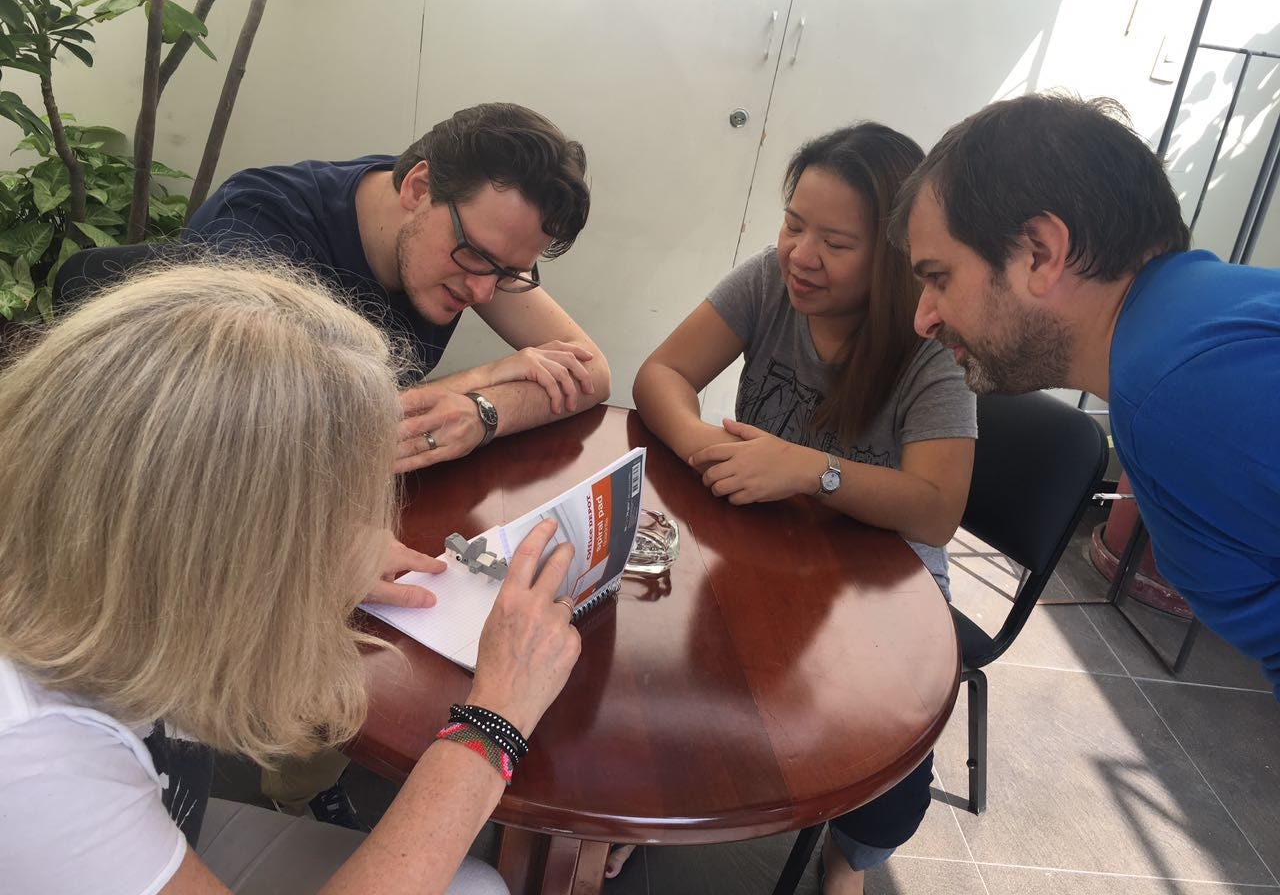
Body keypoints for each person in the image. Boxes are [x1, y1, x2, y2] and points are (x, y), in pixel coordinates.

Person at [54, 101, 611, 823]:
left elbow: (589, 370)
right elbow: (249, 450)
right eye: (475, 258)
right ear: (418, 187)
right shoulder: (259, 239)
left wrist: (483, 412)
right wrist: (483, 377)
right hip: (204, 503)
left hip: (332, 478)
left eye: (509, 274)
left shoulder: (467, 244)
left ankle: (308, 774)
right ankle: (292, 786)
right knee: (378, 601)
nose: (481, 291)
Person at [0, 262, 582, 894]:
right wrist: (494, 719)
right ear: (205, 539)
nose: (348, 530)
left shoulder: (84, 567)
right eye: (326, 516)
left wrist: (301, 563)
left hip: (162, 814)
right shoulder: (33, 760)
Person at [633, 123, 976, 894]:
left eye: (836, 242)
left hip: (883, 578)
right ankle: (648, 806)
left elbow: (935, 512)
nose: (800, 255)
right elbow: (662, 374)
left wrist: (813, 472)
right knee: (669, 669)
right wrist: (702, 445)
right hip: (765, 539)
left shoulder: (931, 347)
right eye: (793, 225)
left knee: (885, 778)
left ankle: (847, 859)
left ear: (893, 254)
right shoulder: (770, 282)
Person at [900, 92, 1280, 700]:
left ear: (1040, 254)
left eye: (939, 277)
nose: (924, 317)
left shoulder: (1182, 394)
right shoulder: (1200, 324)